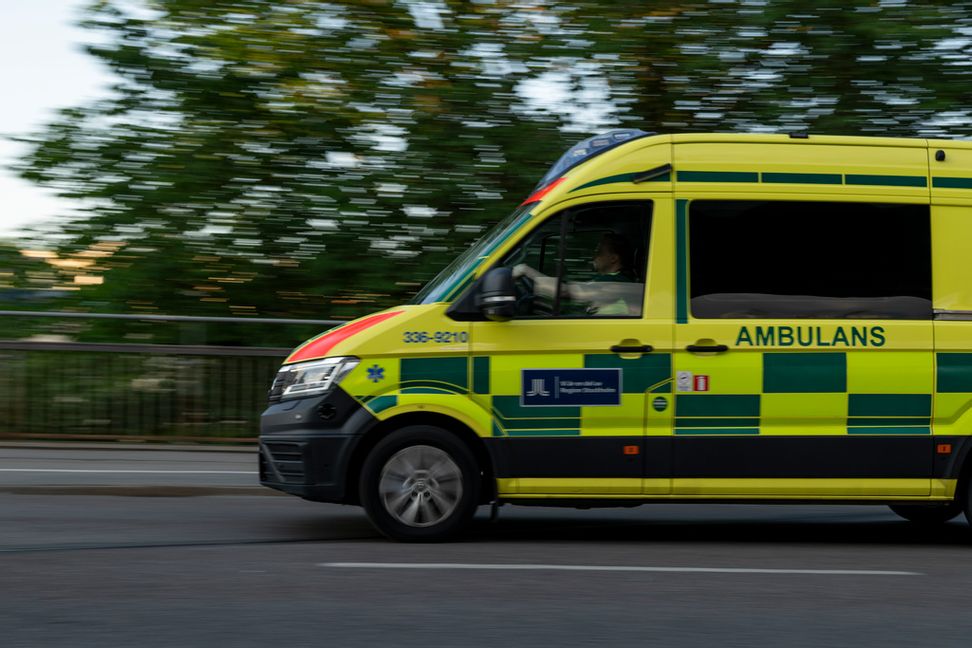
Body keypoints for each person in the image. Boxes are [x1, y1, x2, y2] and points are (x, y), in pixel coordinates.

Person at [513, 232, 640, 315]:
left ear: (613, 258)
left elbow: (565, 291)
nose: (593, 255)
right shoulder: (605, 280)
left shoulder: (618, 282)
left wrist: (526, 271)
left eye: (599, 251)